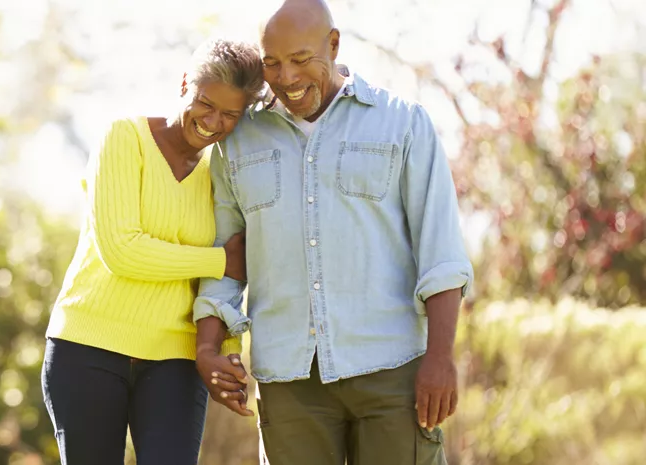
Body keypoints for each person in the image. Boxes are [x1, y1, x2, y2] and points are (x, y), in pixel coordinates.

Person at [192, 1, 475, 463]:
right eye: (272, 63)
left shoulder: (402, 122)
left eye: (301, 59)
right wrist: (208, 345)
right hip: (288, 381)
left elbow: (440, 253)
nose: (285, 77)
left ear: (334, 44)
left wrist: (441, 356)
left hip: (392, 370)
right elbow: (225, 257)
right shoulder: (237, 141)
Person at [40, 39, 265, 464]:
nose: (213, 121)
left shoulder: (221, 175)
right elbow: (122, 251)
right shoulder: (125, 138)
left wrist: (225, 350)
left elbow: (228, 275)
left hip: (175, 360)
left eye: (230, 114)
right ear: (185, 83)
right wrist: (218, 260)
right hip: (88, 347)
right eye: (205, 103)